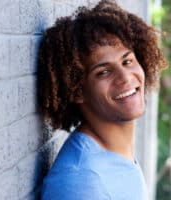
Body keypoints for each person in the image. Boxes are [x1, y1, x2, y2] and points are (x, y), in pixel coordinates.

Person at [37, 0, 167, 199]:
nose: (125, 77)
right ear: (77, 91)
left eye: (127, 61)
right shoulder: (83, 182)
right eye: (104, 71)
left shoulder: (116, 153)